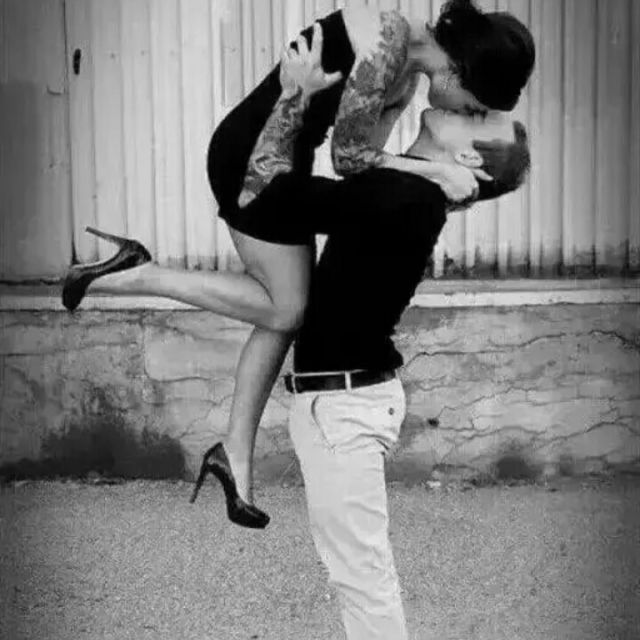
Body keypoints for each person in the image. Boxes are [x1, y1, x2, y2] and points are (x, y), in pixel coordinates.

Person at [61, 0, 535, 528]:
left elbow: (360, 171)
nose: (465, 112)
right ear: (460, 73)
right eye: (474, 106)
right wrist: (437, 175)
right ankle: (140, 274)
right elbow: (353, 160)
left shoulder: (406, 76)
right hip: (252, 160)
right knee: (286, 310)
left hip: (285, 159)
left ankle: (234, 458)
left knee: (286, 310)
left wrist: (437, 188)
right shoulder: (387, 43)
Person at [214, 42, 530, 639]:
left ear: (467, 156)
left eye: (476, 115)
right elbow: (359, 159)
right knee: (360, 576)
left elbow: (273, 194)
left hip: (345, 408)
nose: (468, 102)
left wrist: (294, 96)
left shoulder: (404, 197)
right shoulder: (410, 190)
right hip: (349, 400)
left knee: (362, 580)